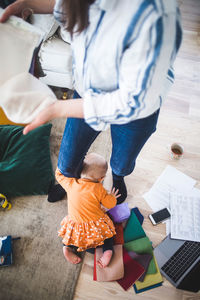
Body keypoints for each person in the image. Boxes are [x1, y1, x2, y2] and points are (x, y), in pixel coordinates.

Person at [0, 0, 182, 204]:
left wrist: (58, 107)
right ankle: (67, 179)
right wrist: (25, 4)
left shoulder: (155, 16)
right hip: (87, 89)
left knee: (123, 158)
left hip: (138, 108)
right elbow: (62, 4)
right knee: (69, 154)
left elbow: (131, 103)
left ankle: (119, 176)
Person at [56, 152, 120, 267]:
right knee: (109, 235)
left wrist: (65, 163)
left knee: (70, 237)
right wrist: (112, 197)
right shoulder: (99, 189)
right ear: (101, 178)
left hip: (76, 226)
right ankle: (108, 251)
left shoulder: (71, 183)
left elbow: (59, 174)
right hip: (96, 226)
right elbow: (110, 204)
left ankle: (67, 248)